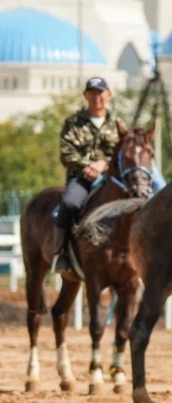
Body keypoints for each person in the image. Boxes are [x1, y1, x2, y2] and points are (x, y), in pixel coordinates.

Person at [54, 77, 123, 271]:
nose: (96, 97)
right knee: (70, 203)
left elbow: (123, 154)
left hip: (112, 177)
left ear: (108, 95)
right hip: (80, 177)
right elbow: (66, 153)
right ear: (86, 96)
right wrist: (88, 166)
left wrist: (104, 165)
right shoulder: (73, 123)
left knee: (136, 204)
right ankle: (62, 253)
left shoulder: (117, 124)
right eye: (92, 93)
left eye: (100, 92)